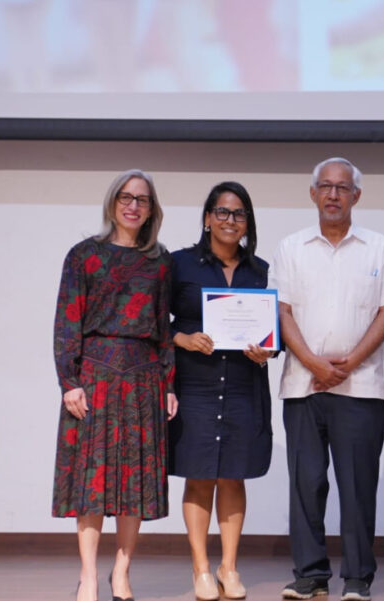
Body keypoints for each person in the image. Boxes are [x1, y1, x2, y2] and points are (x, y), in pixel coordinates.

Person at [270, 157, 384, 601]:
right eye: (325, 187)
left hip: (362, 387)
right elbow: (282, 310)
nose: (334, 194)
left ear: (357, 196)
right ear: (313, 194)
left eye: (343, 187)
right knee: (306, 484)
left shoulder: (379, 248)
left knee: (357, 487)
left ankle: (356, 578)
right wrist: (313, 362)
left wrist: (349, 362)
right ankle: (310, 575)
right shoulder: (291, 247)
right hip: (302, 385)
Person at [52, 169, 178, 601]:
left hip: (144, 380)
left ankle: (121, 574)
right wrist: (69, 381)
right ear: (112, 202)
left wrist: (170, 384)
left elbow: (164, 327)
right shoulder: (83, 256)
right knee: (92, 481)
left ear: (151, 209)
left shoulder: (161, 262)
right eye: (125, 197)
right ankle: (88, 576)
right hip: (95, 377)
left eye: (142, 199)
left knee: (134, 483)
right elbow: (67, 321)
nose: (132, 205)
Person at [169, 181, 274, 601]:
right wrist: (185, 339)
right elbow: (158, 322)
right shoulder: (179, 264)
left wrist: (267, 352)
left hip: (244, 386)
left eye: (240, 214)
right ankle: (200, 569)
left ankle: (229, 568)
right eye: (223, 212)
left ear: (248, 222)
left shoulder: (261, 270)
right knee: (199, 478)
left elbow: (275, 330)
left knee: (233, 476)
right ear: (209, 217)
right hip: (195, 385)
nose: (231, 221)